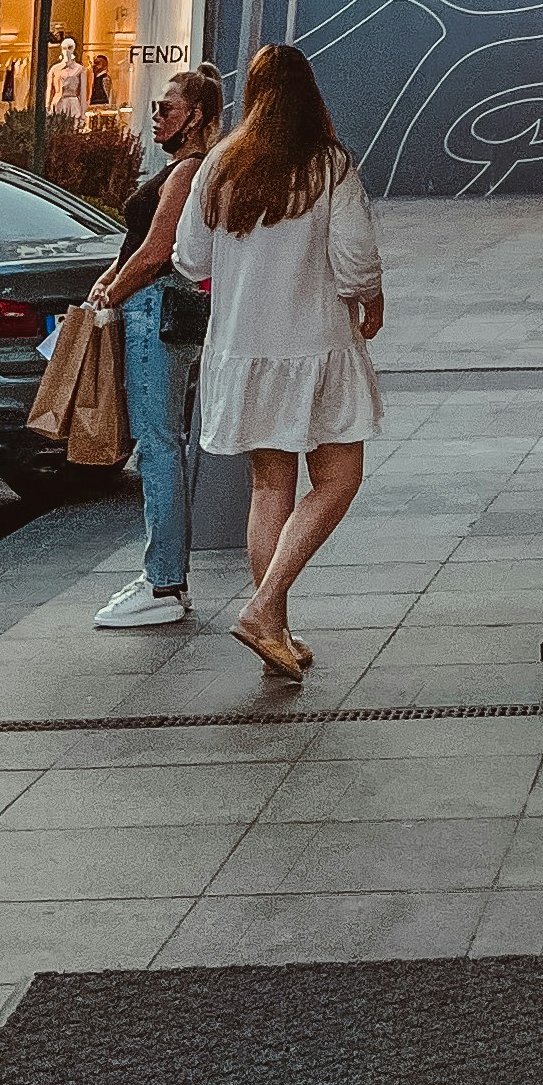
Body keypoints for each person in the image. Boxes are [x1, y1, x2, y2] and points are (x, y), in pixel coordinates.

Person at [173, 42, 384, 681]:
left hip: (244, 351)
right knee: (340, 477)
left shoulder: (220, 164)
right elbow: (354, 259)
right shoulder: (327, 164)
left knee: (270, 487)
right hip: (315, 346)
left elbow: (191, 259)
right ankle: (265, 611)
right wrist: (372, 298)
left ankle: (276, 631)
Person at [82, 59, 224, 632]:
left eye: (167, 108)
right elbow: (137, 246)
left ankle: (162, 582)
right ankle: (164, 579)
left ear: (196, 116)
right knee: (161, 440)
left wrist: (111, 294)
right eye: (156, 107)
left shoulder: (189, 170)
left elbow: (157, 250)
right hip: (151, 307)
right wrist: (108, 282)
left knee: (159, 443)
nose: (156, 116)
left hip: (156, 309)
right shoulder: (180, 169)